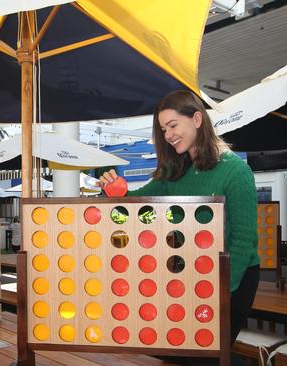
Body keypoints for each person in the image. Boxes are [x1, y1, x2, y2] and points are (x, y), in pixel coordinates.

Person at [100, 90, 259, 364]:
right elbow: (140, 212)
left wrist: (219, 290)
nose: (168, 135)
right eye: (163, 129)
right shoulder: (173, 172)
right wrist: (113, 192)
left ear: (197, 119)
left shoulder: (236, 171)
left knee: (207, 354)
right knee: (179, 349)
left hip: (232, 277)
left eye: (173, 125)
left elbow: (244, 241)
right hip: (190, 274)